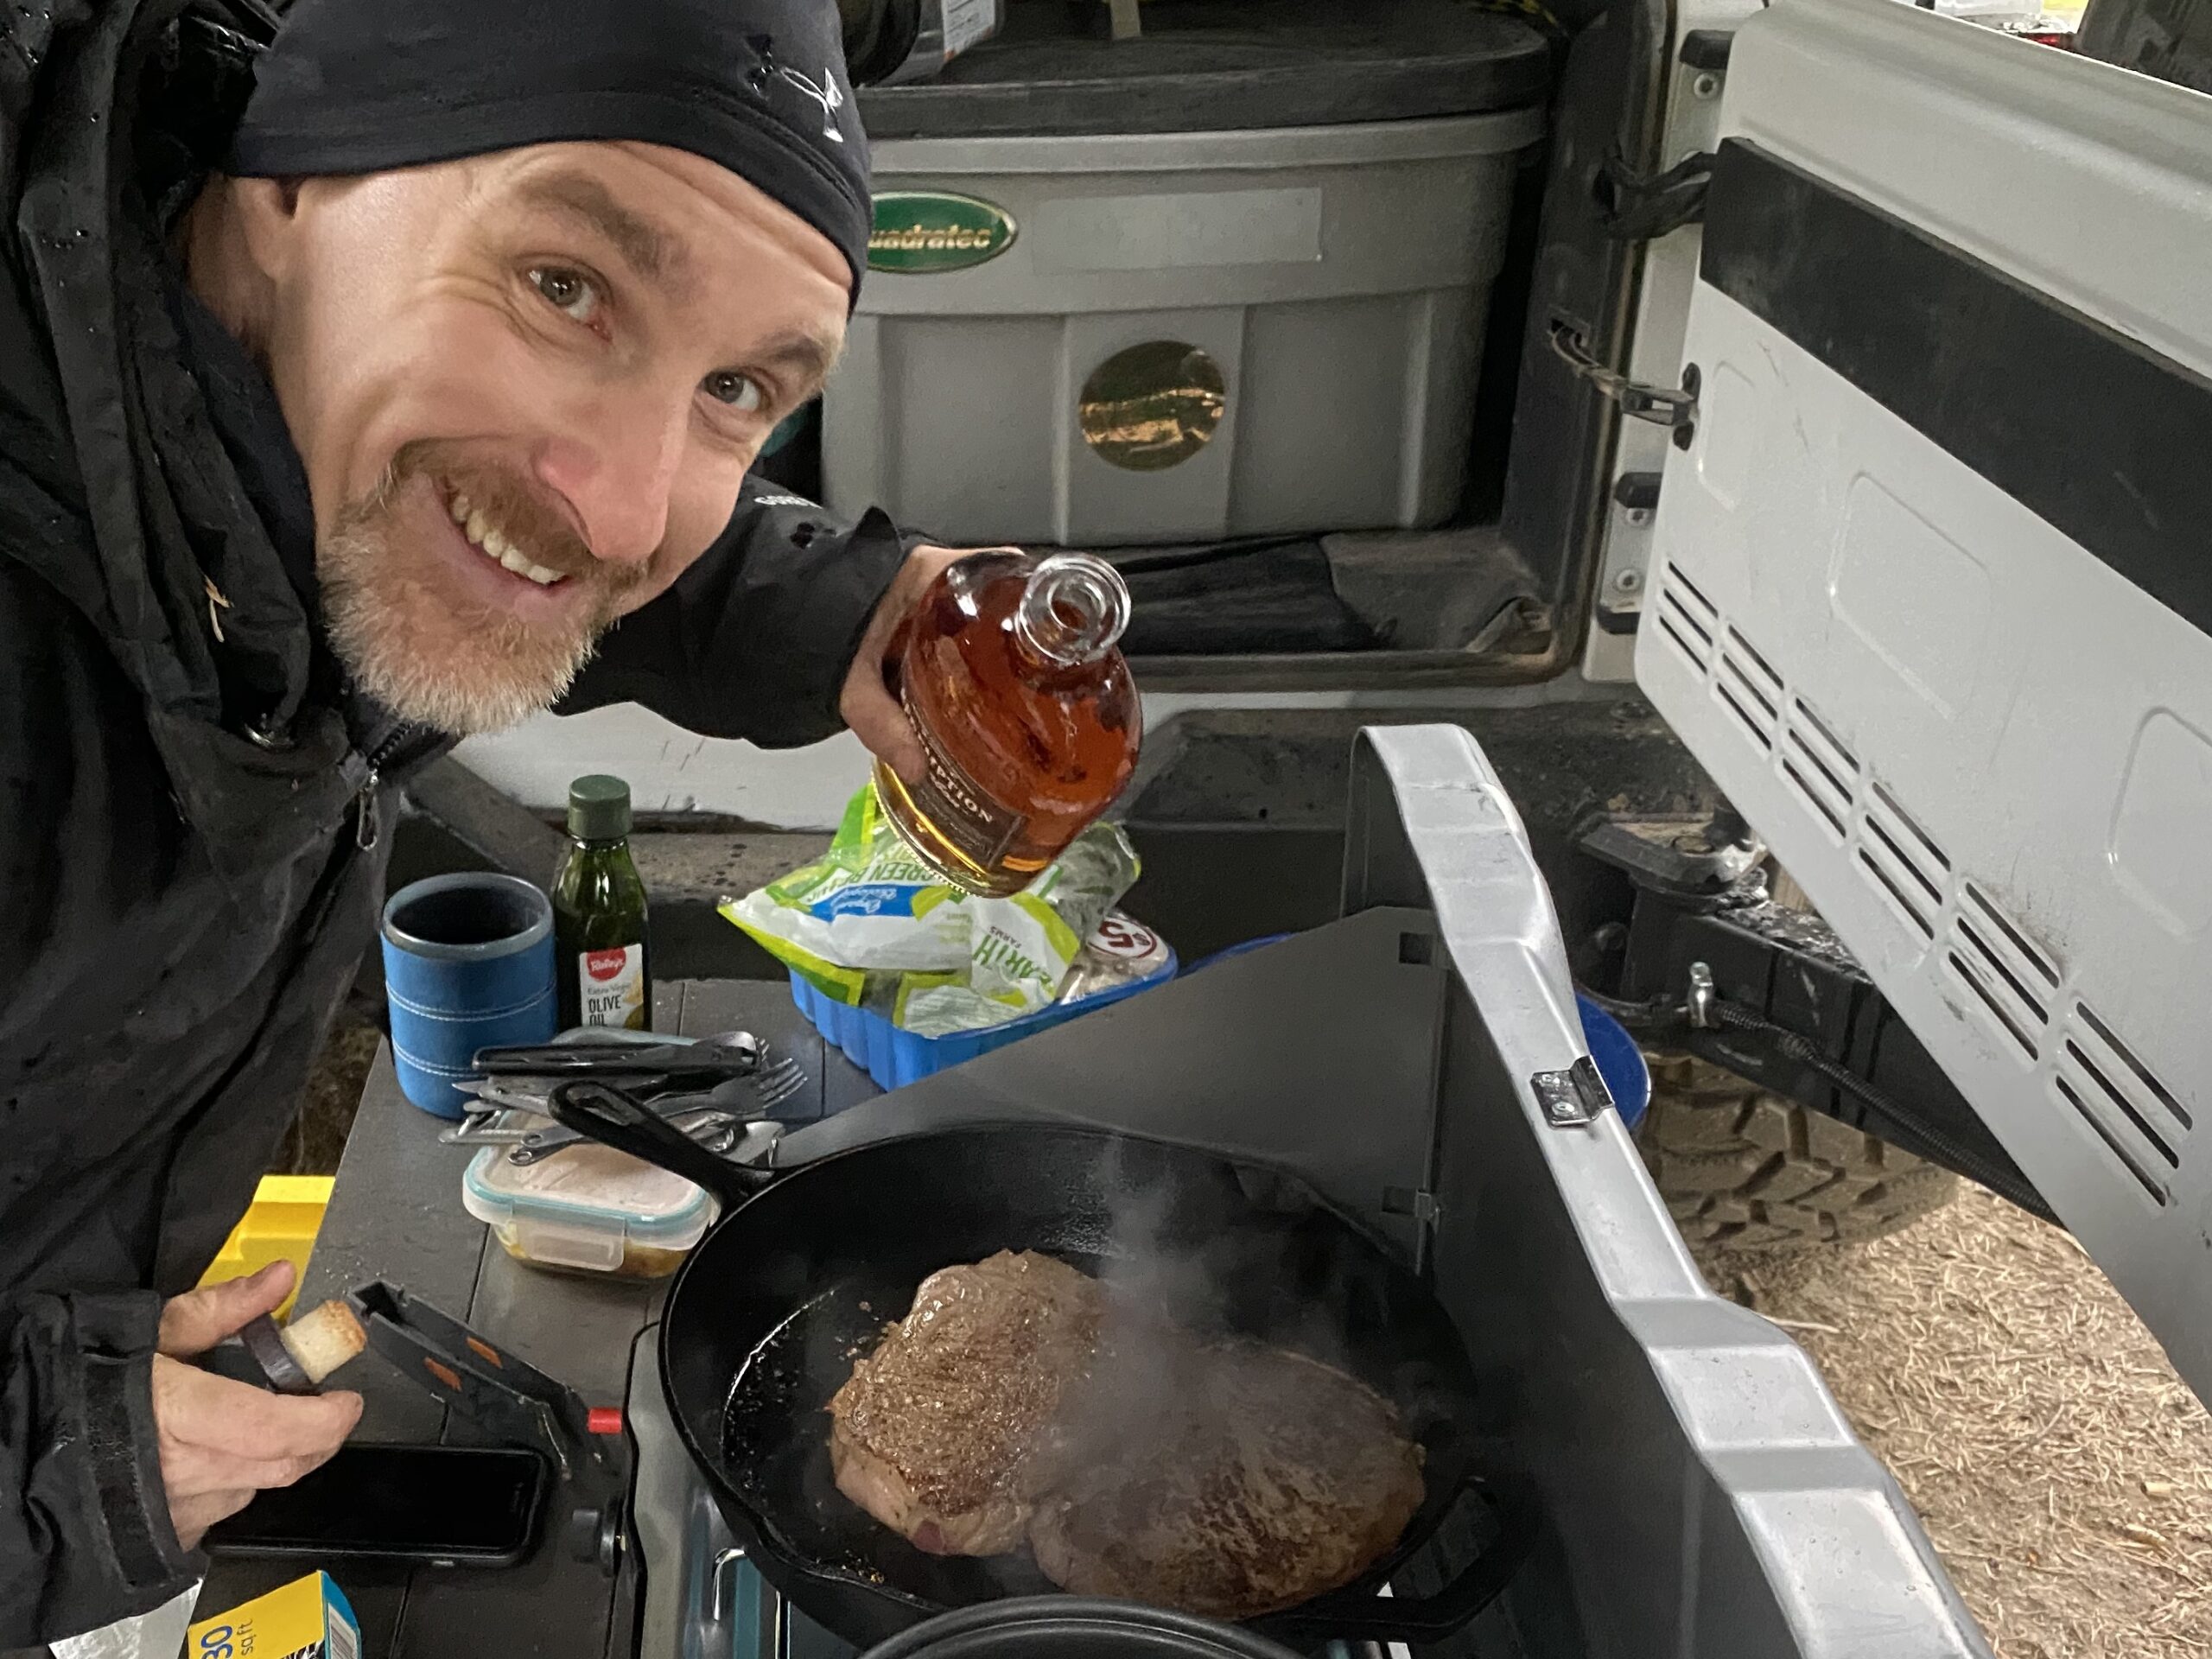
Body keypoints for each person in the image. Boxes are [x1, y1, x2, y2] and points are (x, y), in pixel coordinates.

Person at [0, 0, 979, 1640]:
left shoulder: (246, 373)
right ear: (291, 183)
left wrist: (839, 611)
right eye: (563, 287)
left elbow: (508, 523)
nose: (625, 503)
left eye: (736, 384)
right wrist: (38, 1479)